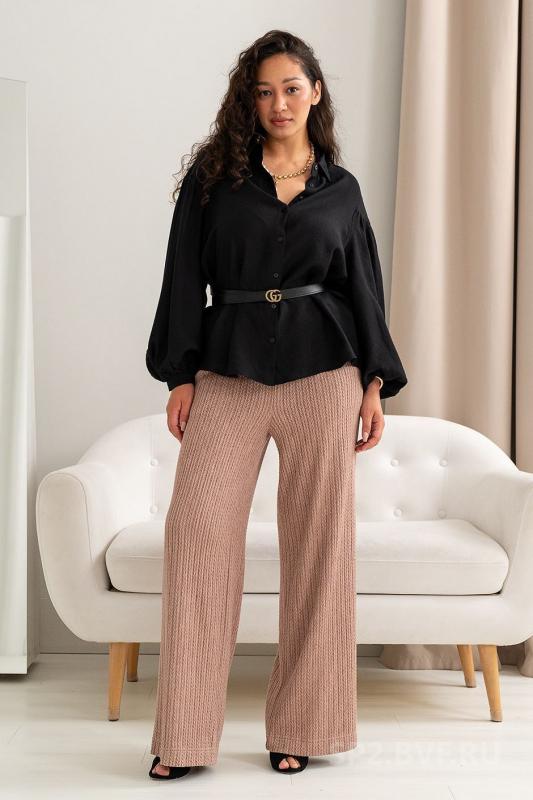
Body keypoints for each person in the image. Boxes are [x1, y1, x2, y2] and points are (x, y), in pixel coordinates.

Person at [146, 29, 407, 781]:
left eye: (292, 88)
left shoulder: (341, 190)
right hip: (227, 372)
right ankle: (183, 737)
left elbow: (363, 286)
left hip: (325, 372)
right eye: (264, 91)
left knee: (319, 549)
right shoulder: (214, 181)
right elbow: (182, 276)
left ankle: (303, 727)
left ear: (315, 93)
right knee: (196, 535)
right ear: (248, 100)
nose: (279, 103)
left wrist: (373, 381)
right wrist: (180, 374)